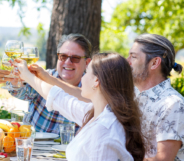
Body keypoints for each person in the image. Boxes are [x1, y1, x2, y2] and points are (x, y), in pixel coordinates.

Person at [13, 53, 145, 161]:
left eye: (87, 72)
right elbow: (58, 98)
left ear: (96, 81)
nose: (83, 78)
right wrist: (29, 76)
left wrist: (28, 76)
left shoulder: (104, 131)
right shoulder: (97, 114)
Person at [8, 34, 91, 133]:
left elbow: (93, 102)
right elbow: (22, 93)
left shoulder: (92, 87)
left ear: (87, 63)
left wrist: (48, 79)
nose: (68, 62)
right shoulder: (43, 75)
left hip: (70, 148)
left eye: (75, 58)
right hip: (37, 146)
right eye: (63, 56)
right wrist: (15, 82)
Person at [127, 34, 184, 160]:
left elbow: (162, 160)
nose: (127, 61)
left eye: (133, 56)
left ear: (154, 63)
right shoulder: (133, 95)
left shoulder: (173, 104)